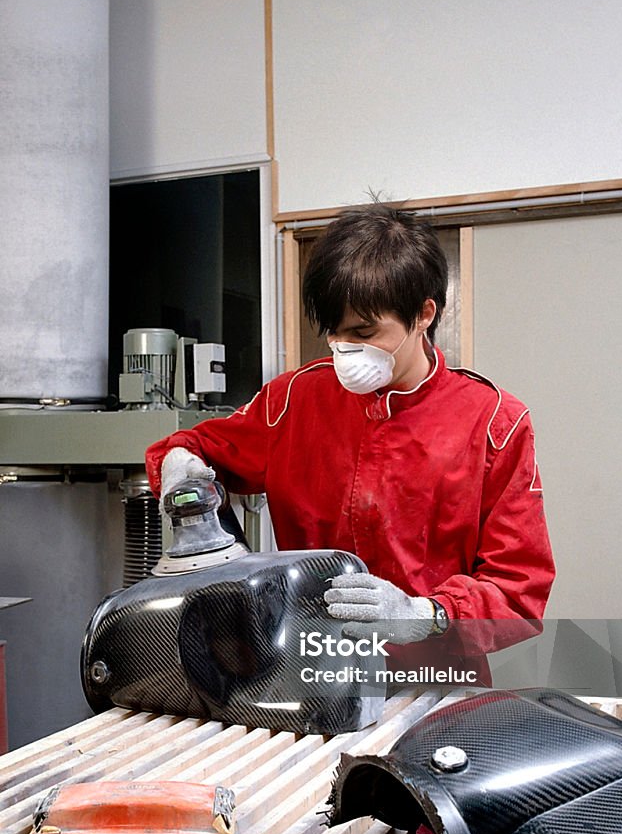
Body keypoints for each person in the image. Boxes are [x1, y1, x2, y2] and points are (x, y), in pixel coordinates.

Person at [145, 204, 555, 686]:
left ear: (424, 313)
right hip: (311, 672)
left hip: (434, 679)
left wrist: (428, 614)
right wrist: (177, 459)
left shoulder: (493, 423)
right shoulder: (294, 400)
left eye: (363, 333)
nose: (343, 349)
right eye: (334, 333)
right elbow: (205, 446)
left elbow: (518, 589)